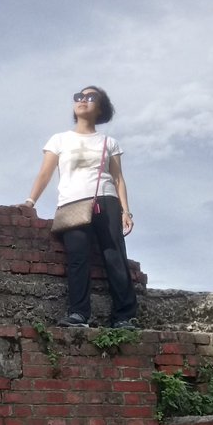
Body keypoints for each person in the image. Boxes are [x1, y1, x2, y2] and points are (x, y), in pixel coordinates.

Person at [21, 86, 138, 328]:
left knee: (114, 256)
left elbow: (118, 179)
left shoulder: (109, 142)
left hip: (106, 201)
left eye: (90, 97)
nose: (83, 100)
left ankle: (125, 316)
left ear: (101, 108)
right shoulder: (60, 139)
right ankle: (79, 313)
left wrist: (126, 211)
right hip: (71, 203)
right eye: (79, 97)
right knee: (77, 258)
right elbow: (45, 173)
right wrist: (30, 201)